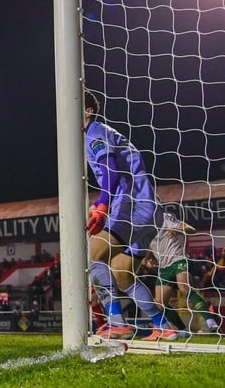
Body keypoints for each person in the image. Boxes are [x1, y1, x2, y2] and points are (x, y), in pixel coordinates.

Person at [84, 91, 178, 340]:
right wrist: (101, 201)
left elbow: (110, 169)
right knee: (122, 272)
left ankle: (117, 323)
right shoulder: (105, 133)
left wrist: (103, 205)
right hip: (149, 210)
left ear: (88, 111)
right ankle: (164, 327)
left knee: (92, 255)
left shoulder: (94, 132)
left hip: (133, 207)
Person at [141, 212, 219, 335]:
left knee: (184, 287)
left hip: (178, 259)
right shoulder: (142, 226)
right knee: (160, 303)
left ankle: (209, 320)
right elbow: (146, 250)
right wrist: (146, 262)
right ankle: (182, 329)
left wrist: (177, 231)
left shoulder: (165, 217)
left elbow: (190, 229)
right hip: (163, 268)